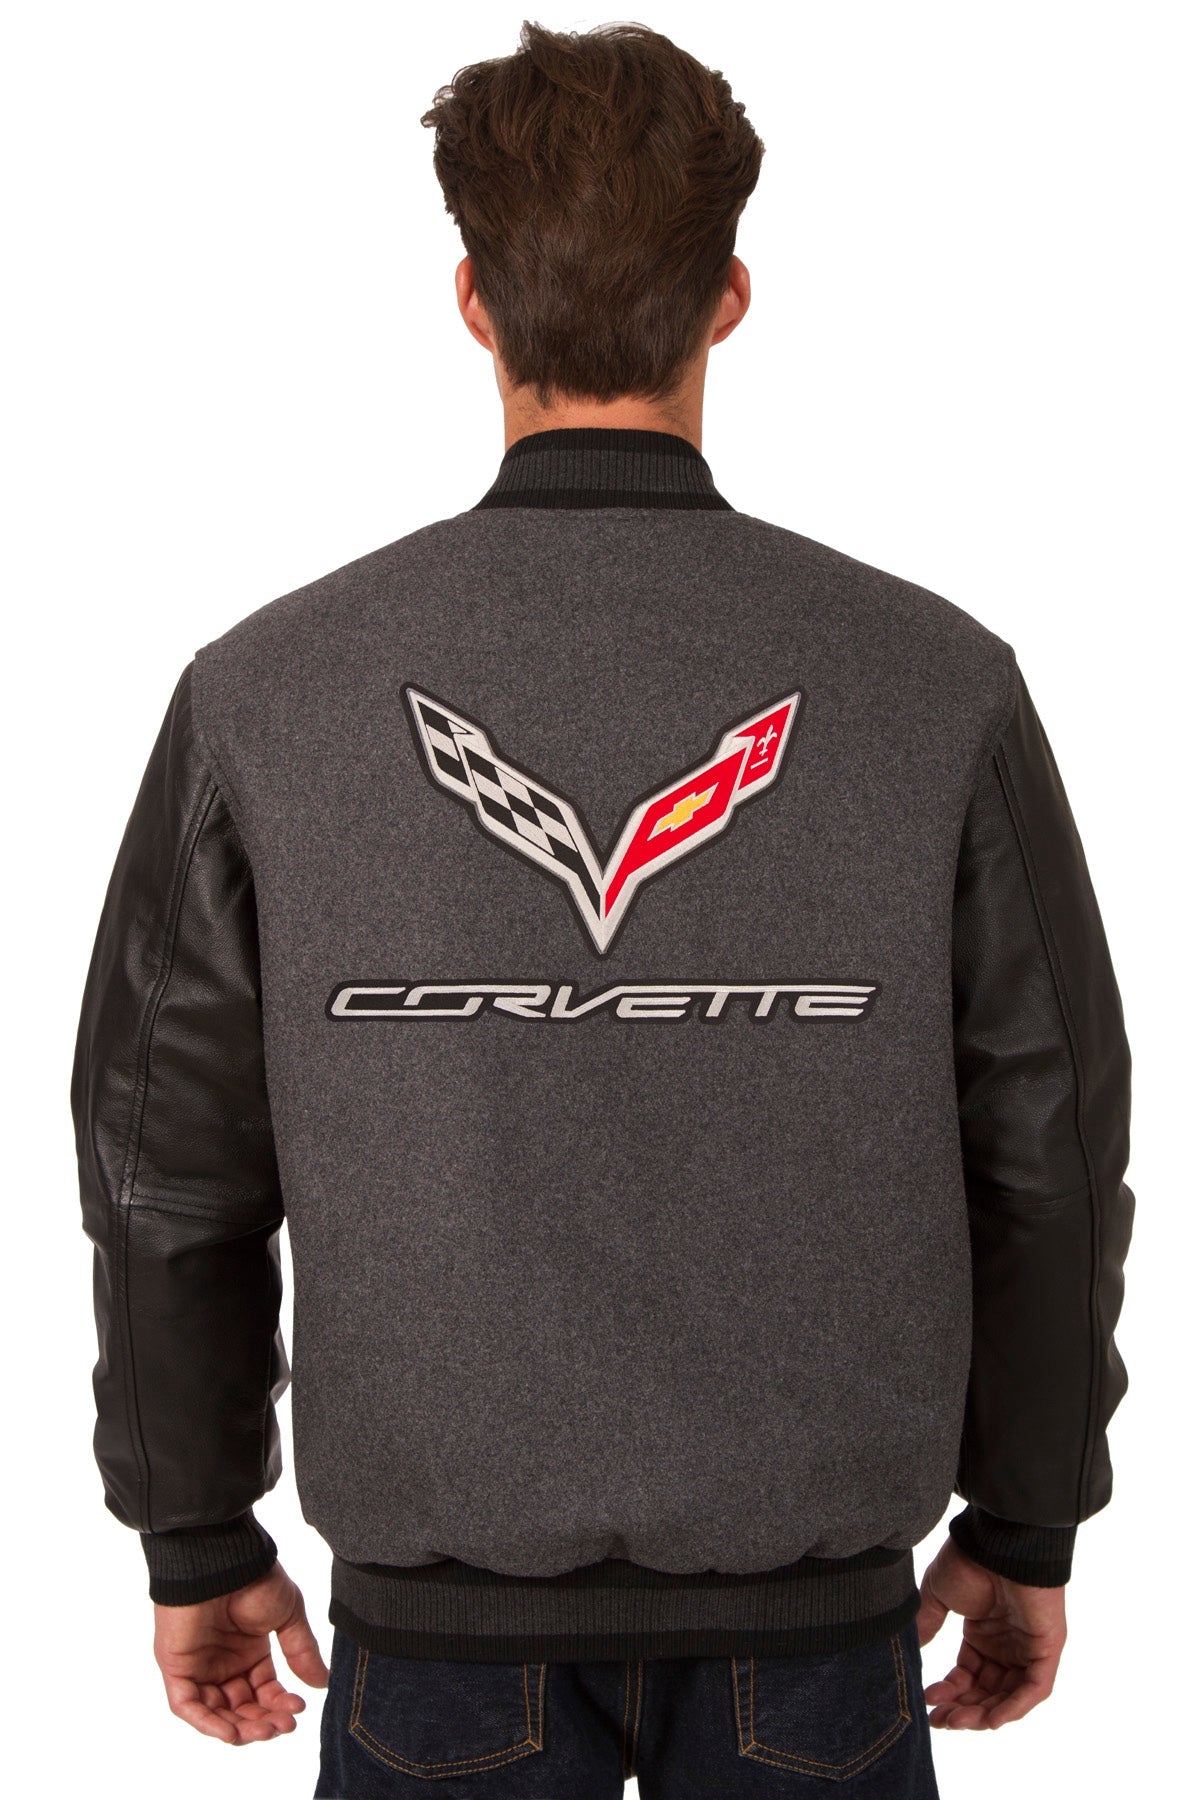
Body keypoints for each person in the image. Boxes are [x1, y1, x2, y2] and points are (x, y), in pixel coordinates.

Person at [71, 20, 1135, 1799]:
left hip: (433, 1645)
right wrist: (1028, 1519)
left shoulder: (269, 690)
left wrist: (196, 1532)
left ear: (472, 306)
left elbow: (164, 1169)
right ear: (729, 298)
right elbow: (1051, 1146)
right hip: (819, 1641)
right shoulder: (933, 680)